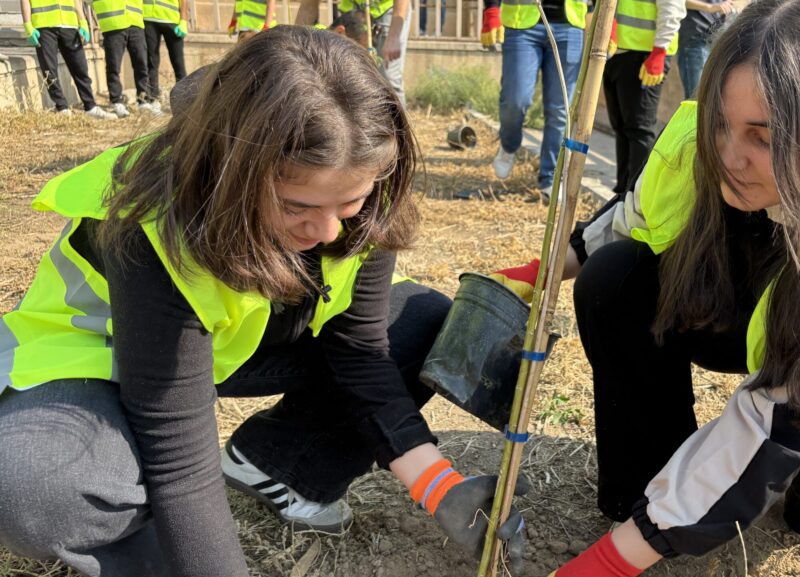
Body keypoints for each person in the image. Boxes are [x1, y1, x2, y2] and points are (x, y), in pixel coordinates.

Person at [0, 27, 525, 577]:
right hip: (102, 357)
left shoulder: (362, 191)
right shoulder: (156, 223)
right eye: (295, 205)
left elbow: (362, 355)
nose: (325, 230)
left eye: (349, 202)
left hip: (235, 345)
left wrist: (441, 488)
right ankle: (139, 542)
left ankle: (276, 463)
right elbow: (177, 448)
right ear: (232, 174)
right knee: (37, 485)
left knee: (421, 325)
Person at [499, 1, 800, 575]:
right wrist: (536, 274)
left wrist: (606, 564)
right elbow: (629, 220)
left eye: (764, 137)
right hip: (758, 320)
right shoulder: (695, 140)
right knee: (615, 280)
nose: (730, 156)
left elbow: (787, 414)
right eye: (721, 123)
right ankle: (649, 484)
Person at [483, 0, 587, 203]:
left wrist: (609, 23)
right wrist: (492, 9)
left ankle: (550, 178)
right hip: (523, 25)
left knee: (560, 110)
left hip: (570, 28)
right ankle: (509, 145)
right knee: (516, 99)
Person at [602, 0, 686, 196]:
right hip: (615, 50)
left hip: (646, 55)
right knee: (621, 126)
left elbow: (671, 9)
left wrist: (659, 51)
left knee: (639, 129)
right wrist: (610, 24)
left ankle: (636, 196)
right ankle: (622, 192)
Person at [20, 0, 116, 118]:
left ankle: (91, 107)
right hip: (43, 25)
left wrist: (83, 21)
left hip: (69, 24)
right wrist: (27, 24)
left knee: (80, 67)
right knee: (49, 70)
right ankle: (62, 108)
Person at [92, 0, 161, 117]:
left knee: (142, 64)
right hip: (113, 23)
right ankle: (116, 101)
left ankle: (143, 100)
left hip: (135, 22)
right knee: (114, 67)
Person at [337, 0, 411, 104]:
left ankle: (396, 119)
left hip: (387, 10)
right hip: (351, 11)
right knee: (349, 77)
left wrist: (394, 36)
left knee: (388, 79)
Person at [677, 0, 735, 99]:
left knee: (712, 100)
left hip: (719, 40)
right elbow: (679, 2)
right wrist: (710, 7)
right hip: (696, 40)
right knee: (697, 100)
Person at [142, 0, 188, 102]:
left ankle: (185, 97)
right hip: (149, 18)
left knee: (178, 63)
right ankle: (153, 98)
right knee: (151, 62)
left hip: (172, 21)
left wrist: (184, 20)